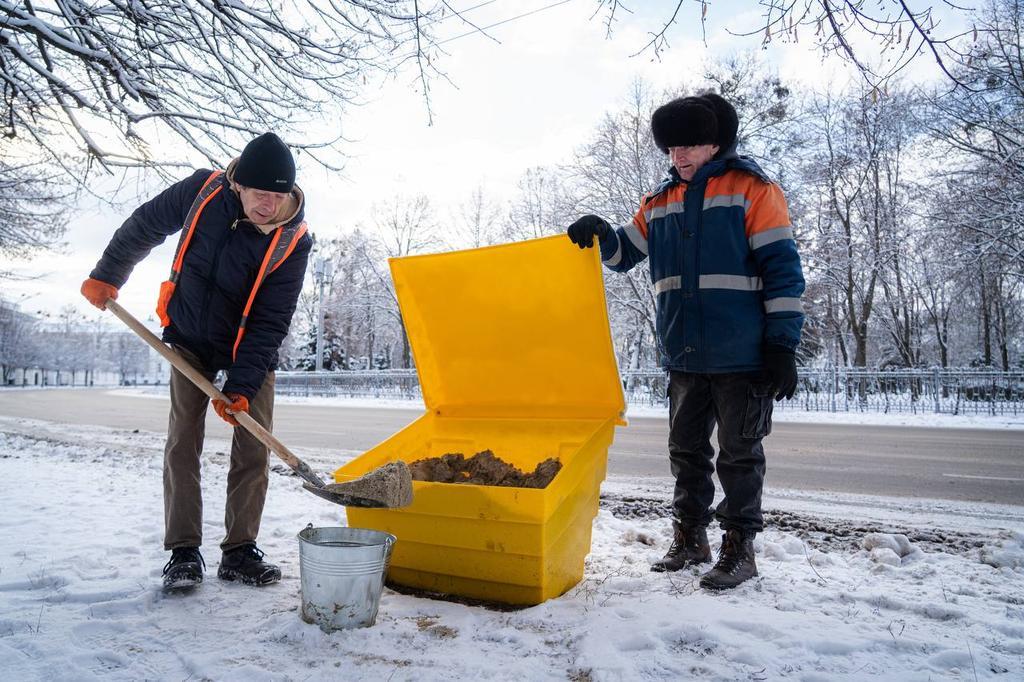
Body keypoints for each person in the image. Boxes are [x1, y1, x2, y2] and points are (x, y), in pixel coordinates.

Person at [567, 94, 805, 590]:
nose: (679, 156)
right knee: (686, 452)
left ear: (716, 143)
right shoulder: (658, 202)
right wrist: (600, 234)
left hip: (745, 355)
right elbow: (622, 254)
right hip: (684, 354)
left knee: (740, 456)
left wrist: (782, 345)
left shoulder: (754, 191)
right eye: (672, 147)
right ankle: (690, 538)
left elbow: (783, 271)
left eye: (690, 145)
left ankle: (739, 549)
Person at [81, 133, 312, 591]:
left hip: (250, 348)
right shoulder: (201, 192)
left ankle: (240, 550)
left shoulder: (294, 241)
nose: (267, 205)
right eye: (259, 194)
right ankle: (184, 551)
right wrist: (107, 274)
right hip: (188, 337)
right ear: (237, 185)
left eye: (278, 196)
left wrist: (242, 386)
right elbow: (144, 224)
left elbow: (270, 319)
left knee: (253, 446)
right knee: (183, 440)